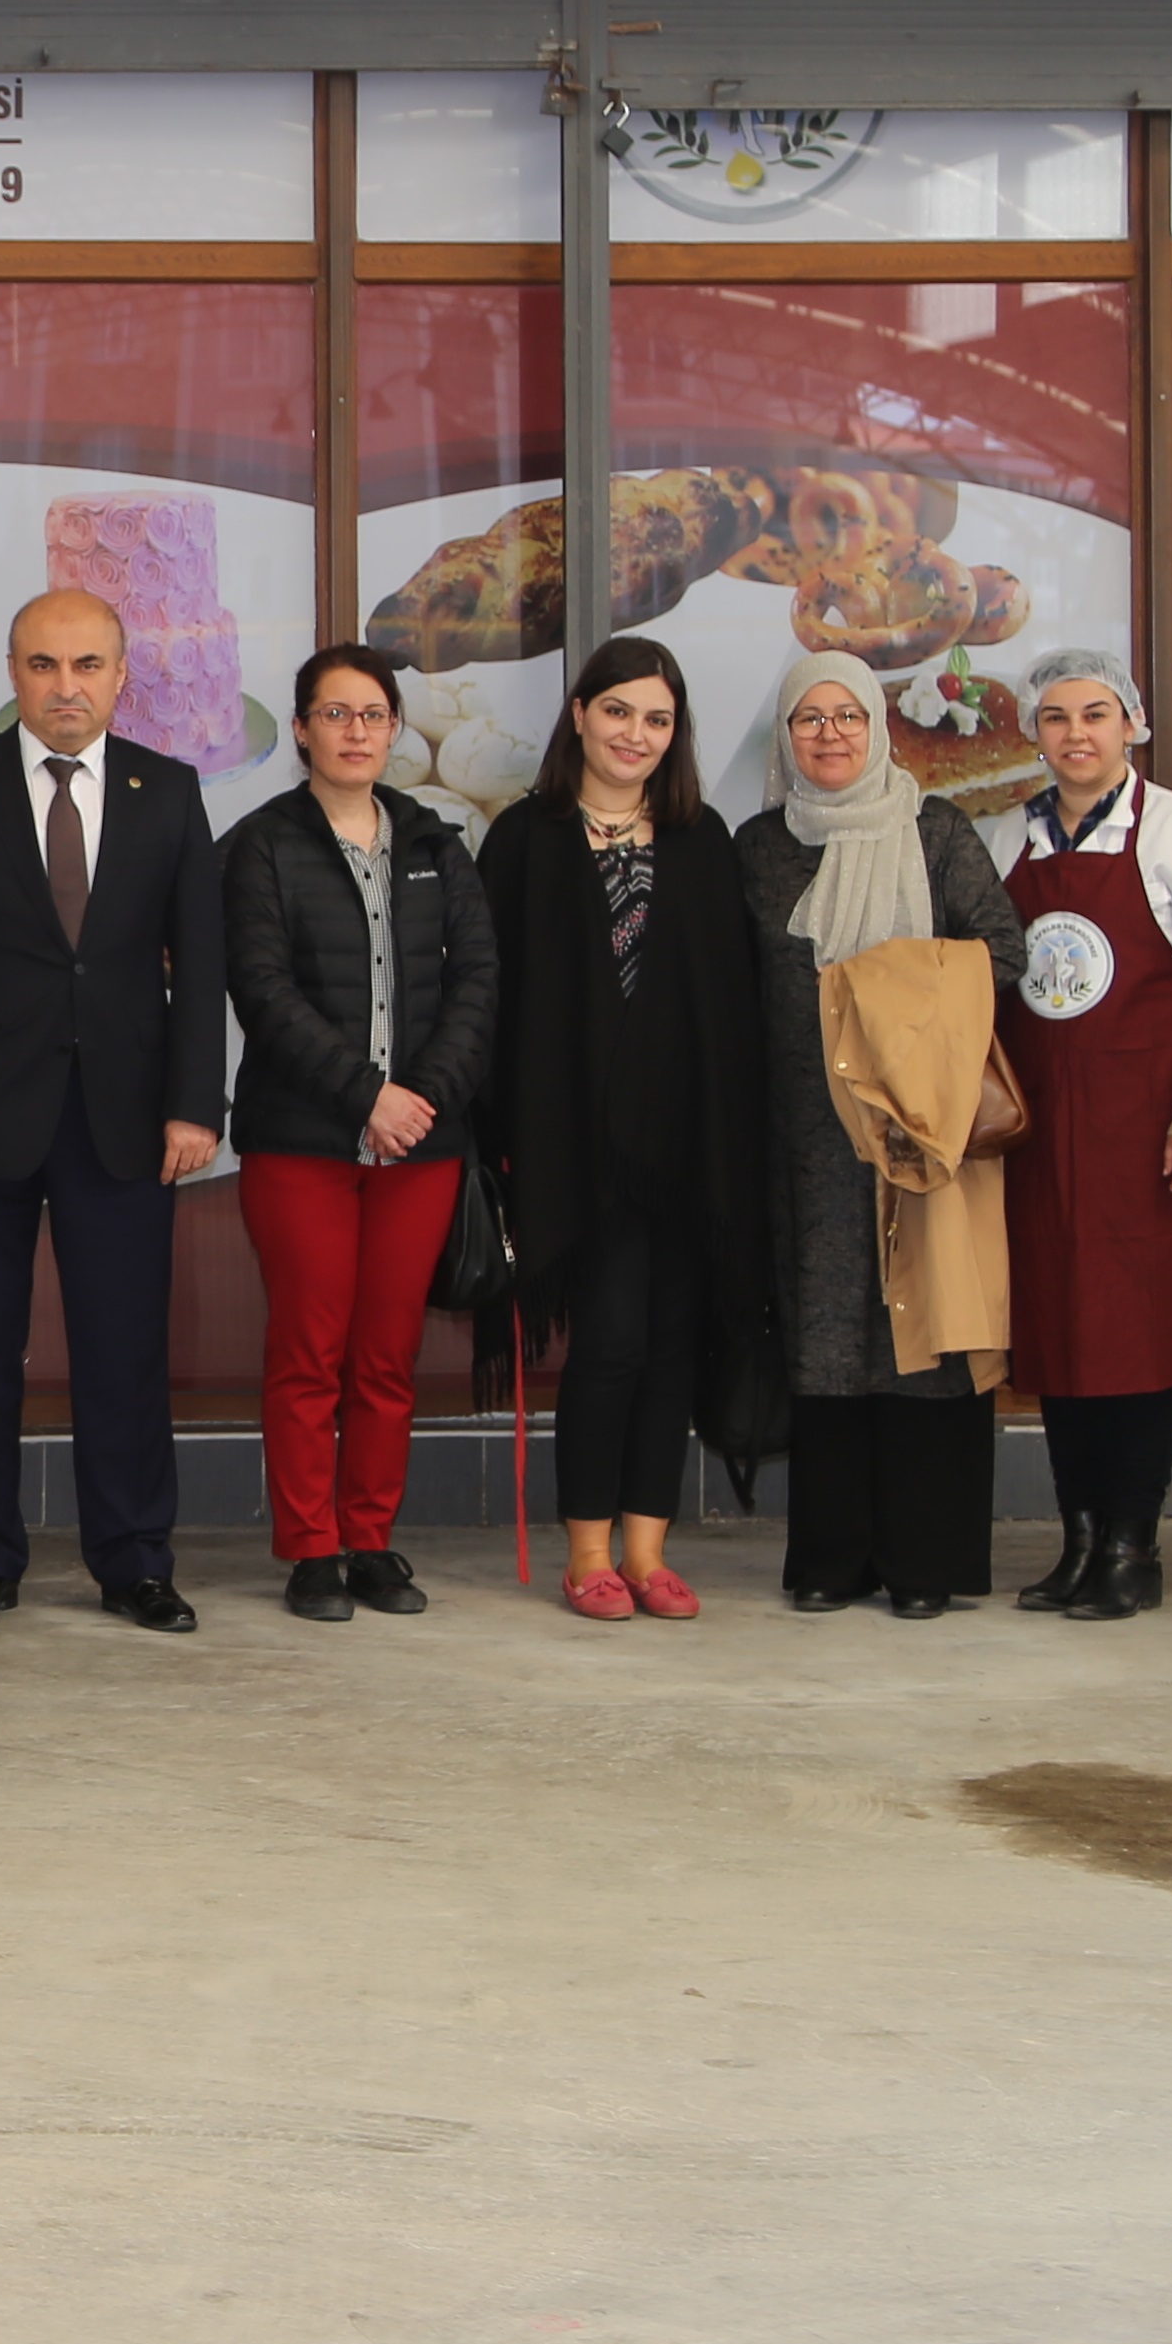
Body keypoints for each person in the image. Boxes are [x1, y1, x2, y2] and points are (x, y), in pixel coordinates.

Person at [0, 588, 226, 1632]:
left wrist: (193, 1105)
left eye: (86, 665)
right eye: (43, 665)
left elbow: (200, 963)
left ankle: (135, 1562)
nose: (65, 686)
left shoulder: (168, 791)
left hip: (124, 1118)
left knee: (124, 1353)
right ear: (13, 673)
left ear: (121, 675)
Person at [472, 637, 772, 1624]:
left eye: (657, 719)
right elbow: (496, 1001)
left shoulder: (701, 839)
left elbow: (728, 1006)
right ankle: (589, 1552)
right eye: (617, 712)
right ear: (579, 716)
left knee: (673, 1346)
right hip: (575, 1149)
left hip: (689, 1150)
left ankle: (648, 1550)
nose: (635, 735)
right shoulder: (525, 840)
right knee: (606, 1343)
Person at [745, 648, 1027, 1617]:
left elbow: (1002, 952)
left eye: (849, 716)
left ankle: (923, 1564)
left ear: (877, 727)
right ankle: (833, 1558)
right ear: (785, 737)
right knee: (828, 1337)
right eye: (809, 718)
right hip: (805, 1139)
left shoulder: (937, 831)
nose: (830, 735)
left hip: (918, 1128)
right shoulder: (760, 848)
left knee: (926, 1338)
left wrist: (877, 990)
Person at [220, 640, 494, 1624]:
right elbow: (262, 990)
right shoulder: (261, 846)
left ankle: (370, 1540)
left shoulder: (434, 841)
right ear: (301, 731)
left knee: (385, 1357)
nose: (354, 732)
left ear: (394, 729)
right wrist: (366, 1097)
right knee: (309, 1351)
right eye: (334, 714)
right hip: (302, 1142)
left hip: (419, 1147)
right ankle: (310, 1549)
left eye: (372, 715)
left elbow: (477, 982)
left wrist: (419, 1100)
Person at [995, 651, 1172, 1621]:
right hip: (1041, 1137)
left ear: (1133, 725)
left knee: (1136, 1338)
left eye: (1095, 714)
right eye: (1056, 717)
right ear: (1035, 734)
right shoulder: (1006, 835)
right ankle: (1079, 1540)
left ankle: (1133, 1546)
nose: (1076, 734)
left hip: (1145, 1135)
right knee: (1059, 1333)